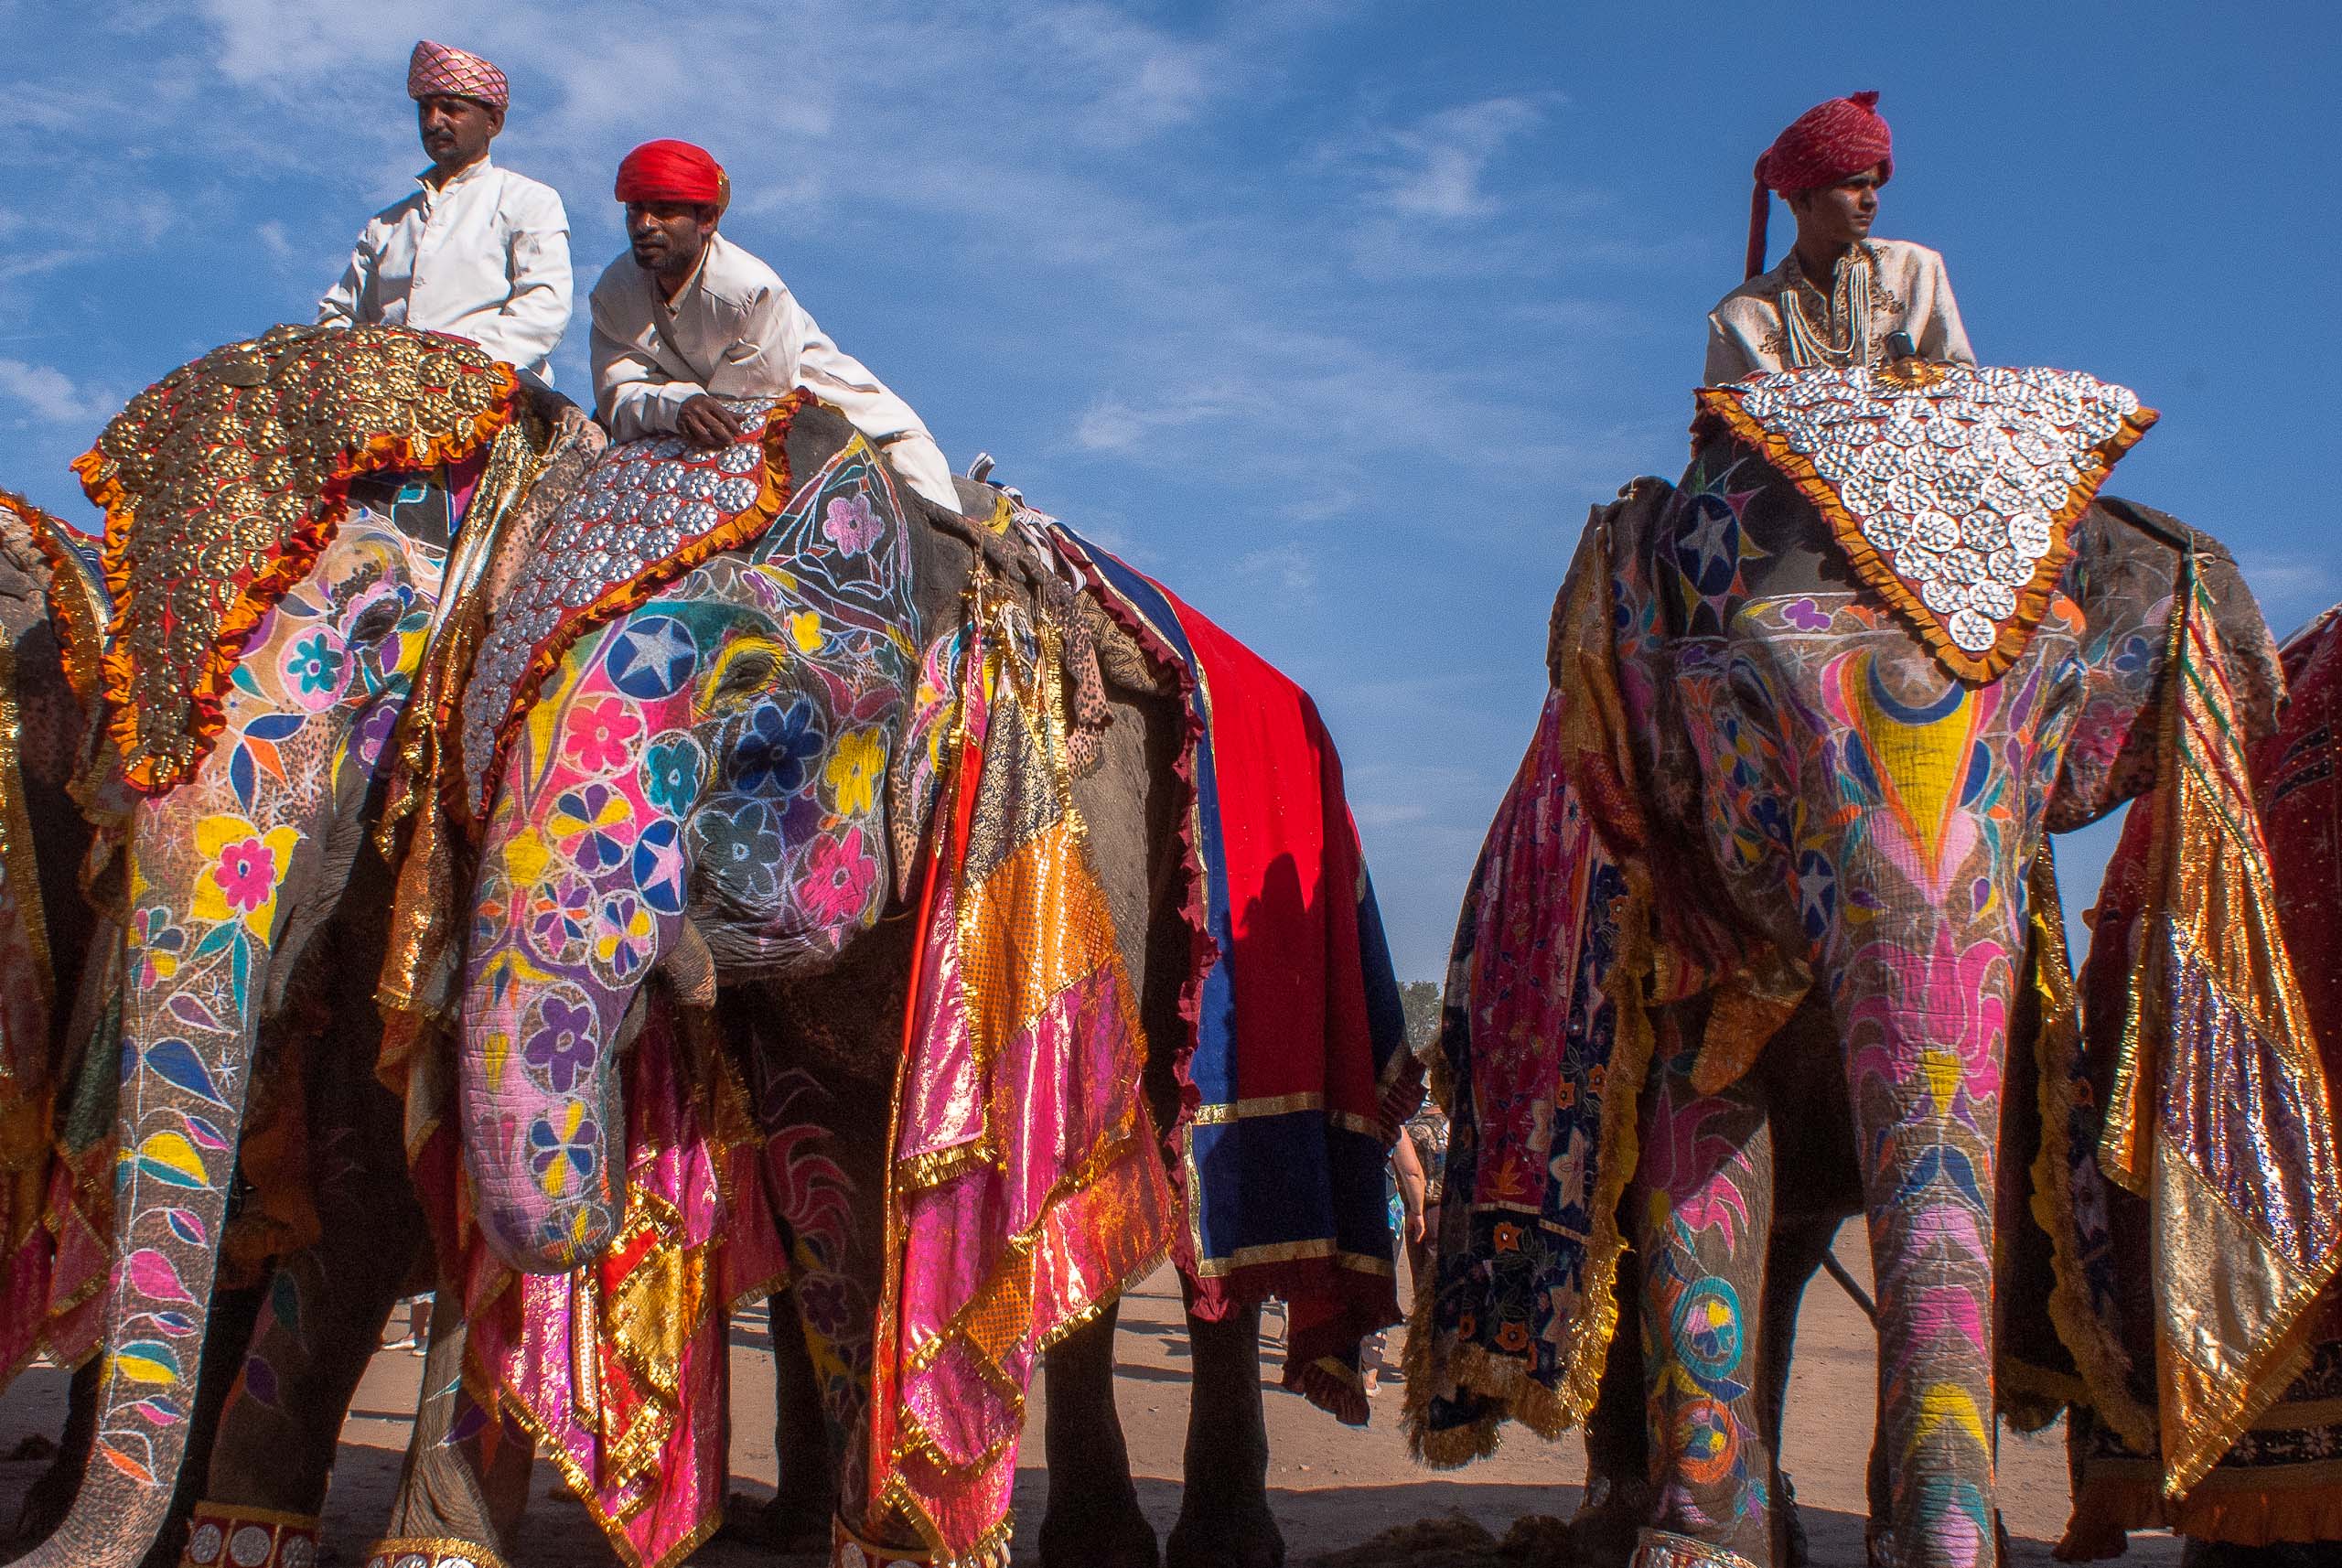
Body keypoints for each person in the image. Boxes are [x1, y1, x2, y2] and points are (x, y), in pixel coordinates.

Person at [586, 139, 961, 512]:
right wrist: (675, 406)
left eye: (664, 211)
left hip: (848, 423)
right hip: (683, 436)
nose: (643, 225)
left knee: (934, 521)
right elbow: (617, 395)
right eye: (635, 210)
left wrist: (681, 408)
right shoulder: (614, 293)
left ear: (707, 220)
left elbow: (744, 417)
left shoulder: (752, 292)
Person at [317, 40, 573, 380]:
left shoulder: (528, 200)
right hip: (384, 397)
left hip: (491, 393)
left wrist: (453, 365)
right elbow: (339, 317)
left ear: (493, 122)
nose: (434, 122)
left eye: (451, 109)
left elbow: (543, 309)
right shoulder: (386, 225)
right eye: (425, 110)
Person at [1705, 91, 1973, 385]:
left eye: (1874, 185)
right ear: (1801, 200)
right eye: (1854, 186)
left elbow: (1959, 385)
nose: (1871, 201)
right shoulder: (1741, 316)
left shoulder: (1915, 270)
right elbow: (1723, 422)